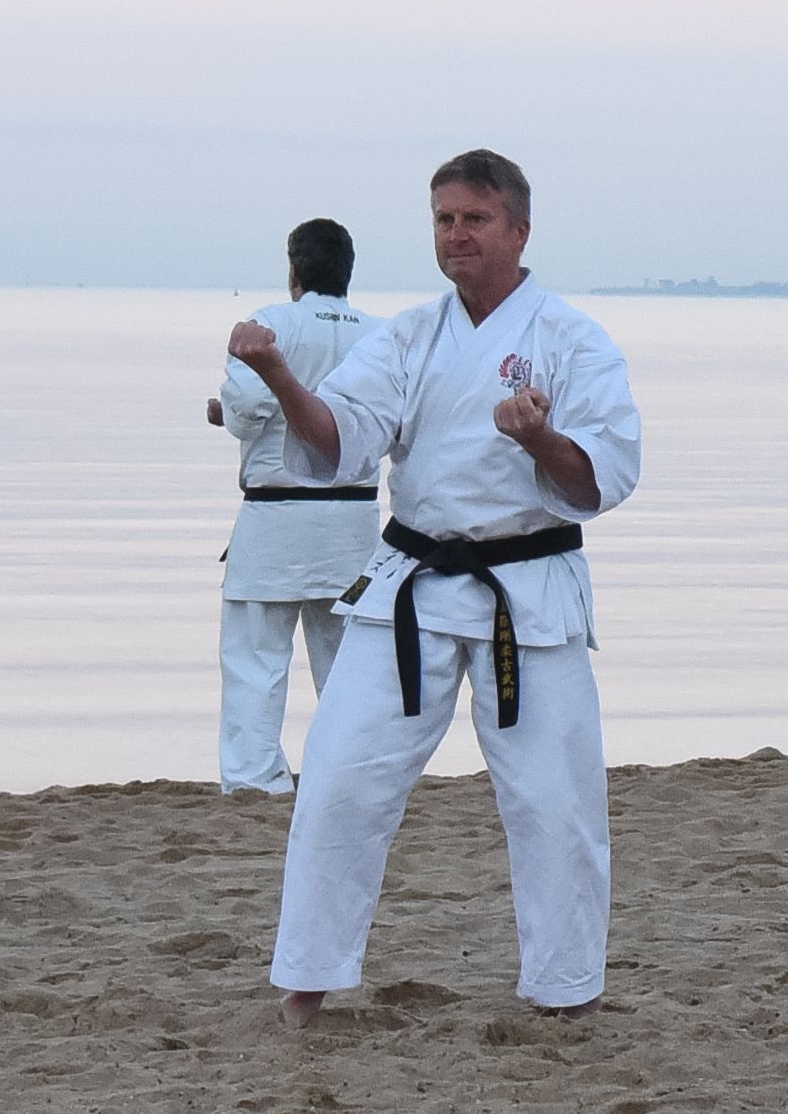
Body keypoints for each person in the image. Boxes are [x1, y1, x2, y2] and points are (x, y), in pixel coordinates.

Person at [231, 150, 645, 1018]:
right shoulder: (411, 335)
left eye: (474, 219)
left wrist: (539, 440)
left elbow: (600, 481)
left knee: (556, 806)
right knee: (340, 778)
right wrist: (277, 378)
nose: (455, 235)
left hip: (528, 591)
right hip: (410, 582)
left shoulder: (572, 340)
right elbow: (339, 440)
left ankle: (565, 992)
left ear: (519, 230)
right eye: (443, 220)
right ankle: (309, 979)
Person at [212, 219, 386, 794]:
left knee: (256, 661)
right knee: (346, 665)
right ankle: (347, 772)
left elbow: (243, 412)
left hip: (276, 516)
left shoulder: (270, 325)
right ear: (348, 269)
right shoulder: (381, 335)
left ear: (294, 268)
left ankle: (256, 780)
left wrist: (229, 417)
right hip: (353, 521)